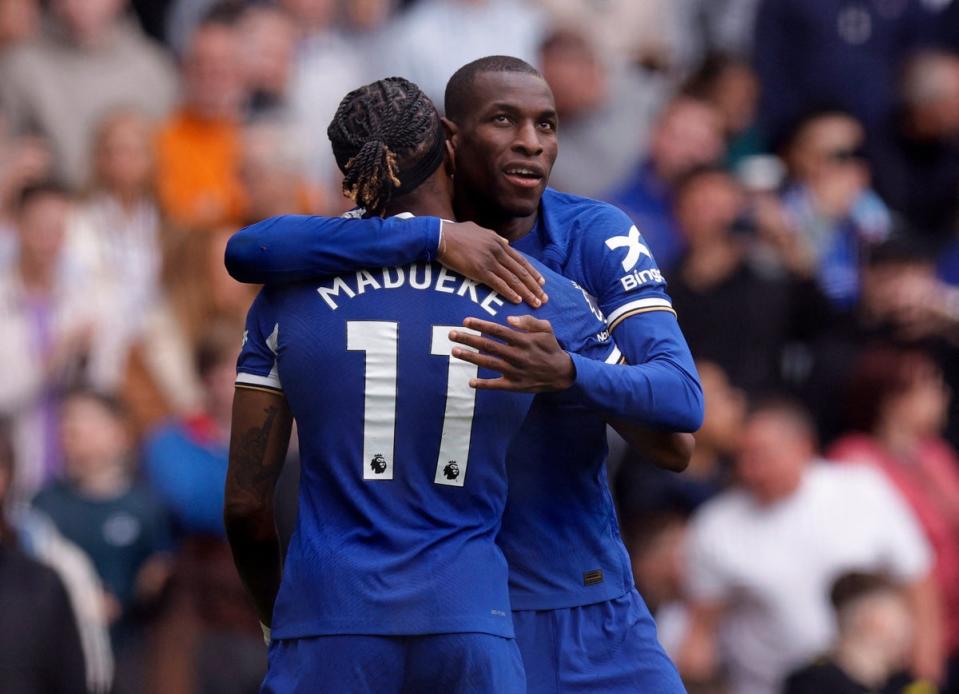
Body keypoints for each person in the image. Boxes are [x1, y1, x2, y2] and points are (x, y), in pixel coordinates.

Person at [225, 56, 703, 692]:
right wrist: (432, 239)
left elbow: (677, 428)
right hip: (470, 615)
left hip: (577, 599)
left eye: (548, 124)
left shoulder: (591, 236)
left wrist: (568, 374)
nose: (531, 142)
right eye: (504, 121)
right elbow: (250, 248)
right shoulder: (386, 248)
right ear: (450, 139)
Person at [677, 400, 941, 694]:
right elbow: (701, 630)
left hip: (870, 682)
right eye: (744, 456)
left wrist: (926, 667)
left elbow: (917, 579)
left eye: (763, 456)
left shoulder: (861, 490)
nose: (752, 470)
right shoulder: (716, 525)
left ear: (803, 448)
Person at [829, 348, 959, 668]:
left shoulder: (935, 453)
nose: (942, 395)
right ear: (891, 400)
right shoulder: (853, 460)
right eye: (929, 386)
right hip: (898, 639)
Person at [0, 0, 176, 187]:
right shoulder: (19, 67)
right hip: (48, 204)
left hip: (135, 206)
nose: (81, 4)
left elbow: (169, 160)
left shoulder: (154, 68)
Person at [784, 572, 928, 694]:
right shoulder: (812, 684)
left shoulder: (909, 685)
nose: (910, 626)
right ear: (873, 621)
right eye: (902, 614)